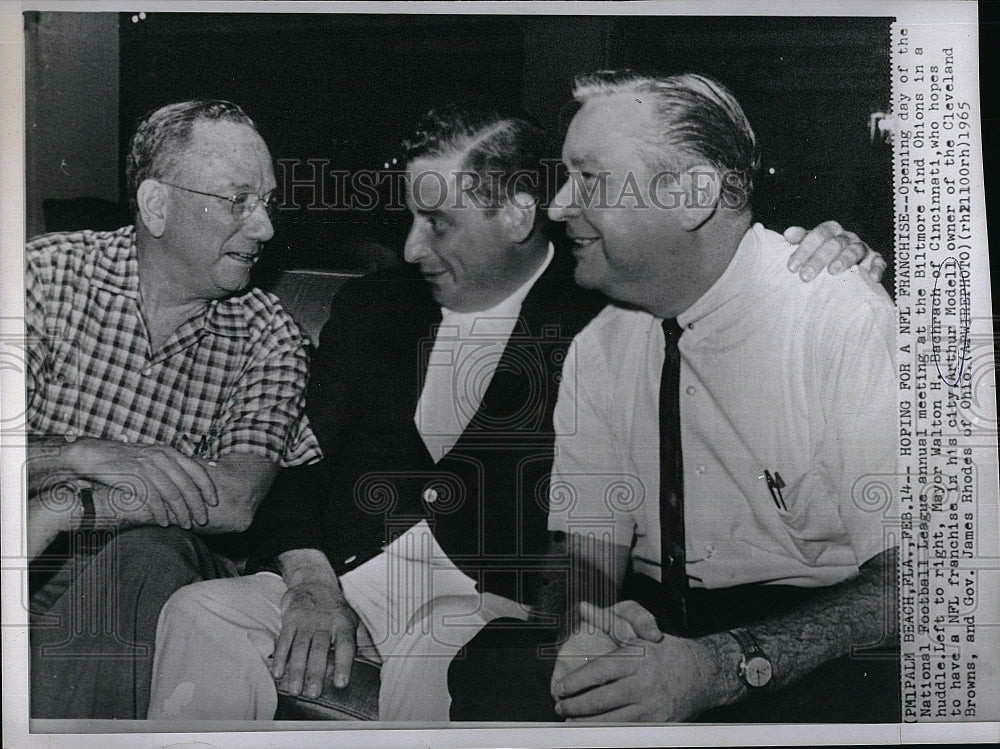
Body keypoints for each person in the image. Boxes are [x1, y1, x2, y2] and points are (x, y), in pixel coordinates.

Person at [146, 103, 883, 722]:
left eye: (438, 222)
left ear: (517, 213)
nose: (410, 245)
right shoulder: (372, 307)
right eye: (409, 216)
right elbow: (300, 461)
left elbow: (722, 273)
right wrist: (309, 582)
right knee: (200, 612)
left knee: (441, 657)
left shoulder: (609, 308)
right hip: (348, 576)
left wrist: (826, 252)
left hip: (490, 599)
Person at [449, 71, 898, 723]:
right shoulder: (602, 342)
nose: (557, 205)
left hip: (814, 642)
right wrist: (586, 617)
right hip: (666, 626)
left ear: (693, 196)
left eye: (591, 179)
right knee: (496, 667)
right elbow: (584, 550)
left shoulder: (838, 316)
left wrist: (722, 665)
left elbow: (918, 584)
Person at [26, 99, 321, 720]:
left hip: (147, 587)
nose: (264, 228)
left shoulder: (270, 336)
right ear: (157, 205)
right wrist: (80, 455)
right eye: (238, 201)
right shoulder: (45, 278)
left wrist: (67, 507)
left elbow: (235, 500)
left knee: (149, 550)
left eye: (266, 202)